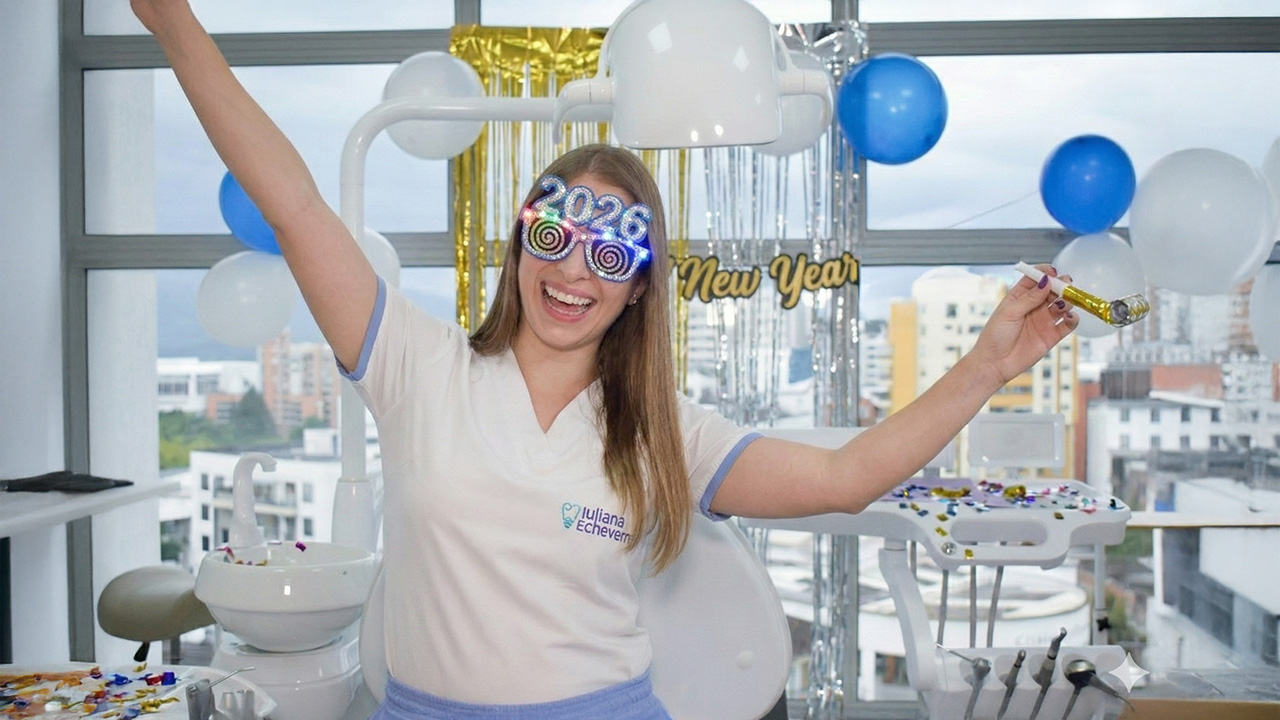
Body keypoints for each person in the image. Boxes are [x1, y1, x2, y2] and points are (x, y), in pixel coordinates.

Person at [131, 2, 1079, 718]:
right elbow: (295, 206)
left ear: (638, 289)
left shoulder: (666, 432)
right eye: (556, 235)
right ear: (521, 242)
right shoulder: (416, 367)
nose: (575, 271)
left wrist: (988, 366)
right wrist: (171, 20)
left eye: (612, 253)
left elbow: (844, 478)